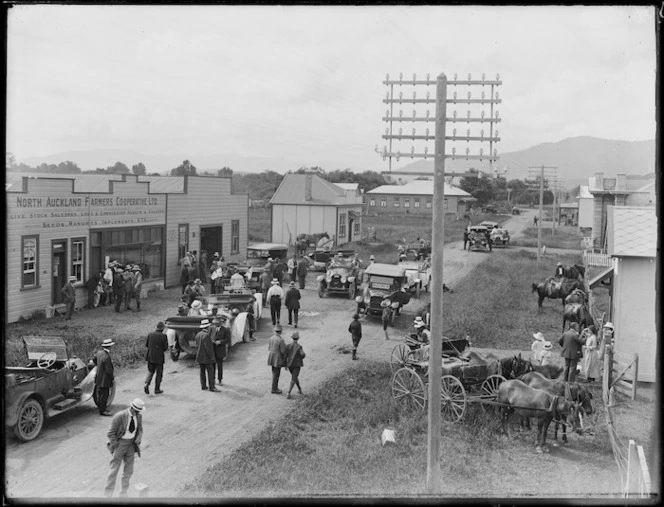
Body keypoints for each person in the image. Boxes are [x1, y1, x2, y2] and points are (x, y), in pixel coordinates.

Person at [104, 398, 144, 498]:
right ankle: (107, 496)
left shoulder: (138, 416)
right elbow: (110, 433)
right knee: (113, 471)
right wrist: (115, 444)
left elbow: (140, 429)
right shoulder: (120, 416)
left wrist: (138, 438)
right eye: (136, 411)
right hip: (120, 444)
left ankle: (123, 494)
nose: (137, 413)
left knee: (129, 471)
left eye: (139, 411)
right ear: (131, 407)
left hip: (131, 445)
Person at [144, 321, 168, 395]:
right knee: (159, 374)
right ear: (163, 328)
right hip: (159, 357)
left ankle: (146, 383)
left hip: (150, 356)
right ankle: (157, 389)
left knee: (150, 371)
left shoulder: (150, 334)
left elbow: (146, 345)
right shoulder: (163, 336)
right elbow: (165, 347)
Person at [93, 338, 115, 416]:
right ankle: (103, 410)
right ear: (110, 347)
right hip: (105, 379)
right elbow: (109, 371)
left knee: (99, 393)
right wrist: (112, 378)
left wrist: (99, 366)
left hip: (98, 377)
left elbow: (94, 359)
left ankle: (100, 407)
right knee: (104, 395)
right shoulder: (107, 357)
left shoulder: (99, 353)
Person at [195, 319, 218, 392]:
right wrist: (212, 357)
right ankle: (212, 387)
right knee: (210, 372)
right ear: (207, 327)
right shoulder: (207, 335)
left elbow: (197, 346)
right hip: (207, 358)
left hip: (200, 357)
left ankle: (203, 386)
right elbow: (208, 348)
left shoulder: (198, 335)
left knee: (202, 372)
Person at [285, 331, 305, 399]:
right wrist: (302, 356)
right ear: (298, 338)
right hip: (297, 365)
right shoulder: (299, 347)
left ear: (292, 338)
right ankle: (288, 392)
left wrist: (285, 364)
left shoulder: (288, 346)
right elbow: (302, 355)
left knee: (294, 377)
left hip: (290, 364)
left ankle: (299, 389)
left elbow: (285, 355)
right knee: (294, 378)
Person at [211, 315, 231, 386]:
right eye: (215, 323)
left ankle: (220, 380)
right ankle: (212, 380)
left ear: (221, 323)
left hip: (220, 350)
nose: (215, 324)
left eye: (217, 323)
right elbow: (209, 337)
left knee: (219, 366)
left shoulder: (225, 330)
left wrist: (220, 342)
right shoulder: (212, 329)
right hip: (213, 350)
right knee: (212, 366)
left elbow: (228, 339)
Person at [267, 324, 286, 394]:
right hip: (277, 359)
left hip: (272, 357)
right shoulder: (281, 340)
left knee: (274, 373)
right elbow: (283, 351)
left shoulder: (271, 338)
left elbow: (269, 348)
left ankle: (274, 387)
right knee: (276, 374)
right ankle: (274, 388)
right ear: (280, 332)